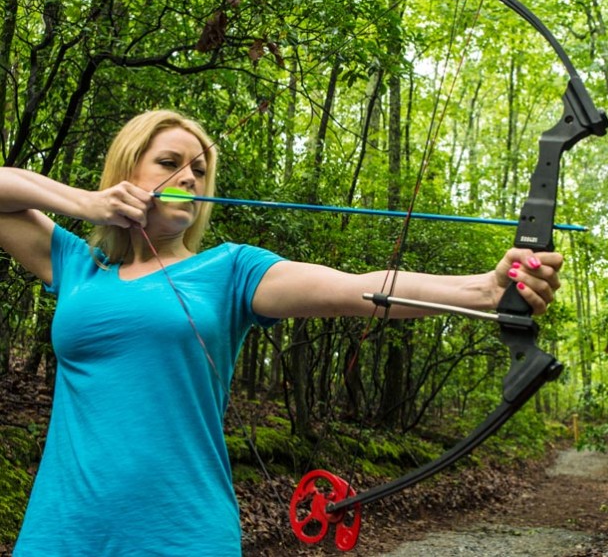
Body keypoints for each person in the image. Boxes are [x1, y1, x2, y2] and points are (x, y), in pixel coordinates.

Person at [1, 110, 563, 556]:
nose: (189, 177)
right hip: (61, 529)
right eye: (169, 162)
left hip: (181, 532)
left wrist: (486, 290)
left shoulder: (230, 270)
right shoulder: (77, 266)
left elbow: (358, 289)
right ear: (128, 169)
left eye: (200, 170)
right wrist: (87, 204)